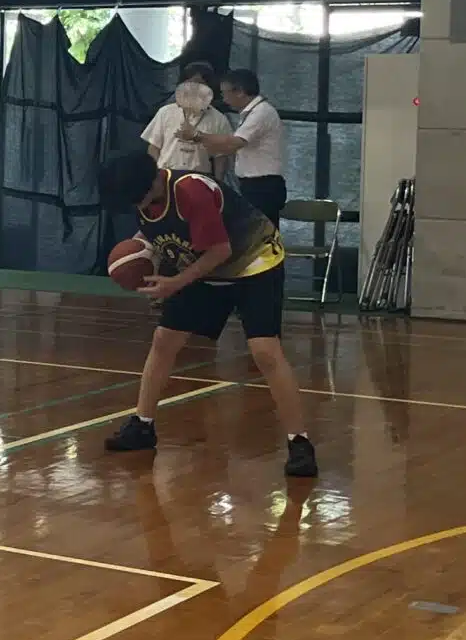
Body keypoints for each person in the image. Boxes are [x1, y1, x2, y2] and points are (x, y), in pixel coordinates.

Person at [99, 150, 316, 477]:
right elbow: (157, 232)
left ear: (150, 183)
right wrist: (138, 254)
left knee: (265, 351)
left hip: (254, 261)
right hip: (204, 264)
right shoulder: (144, 198)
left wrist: (175, 283)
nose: (133, 206)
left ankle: (299, 442)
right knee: (164, 341)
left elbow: (220, 250)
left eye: (133, 199)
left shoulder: (191, 191)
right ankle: (142, 425)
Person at [207, 67, 288, 223]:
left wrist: (198, 136)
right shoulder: (251, 113)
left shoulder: (261, 112)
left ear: (240, 91)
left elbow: (235, 143)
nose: (224, 99)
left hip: (263, 186)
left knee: (261, 232)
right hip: (253, 185)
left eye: (225, 93)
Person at [141, 61, 230, 175]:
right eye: (189, 83)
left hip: (198, 177)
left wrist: (217, 182)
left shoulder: (219, 119)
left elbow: (220, 157)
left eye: (200, 84)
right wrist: (158, 173)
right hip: (166, 175)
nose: (194, 89)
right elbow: (153, 147)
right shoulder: (165, 112)